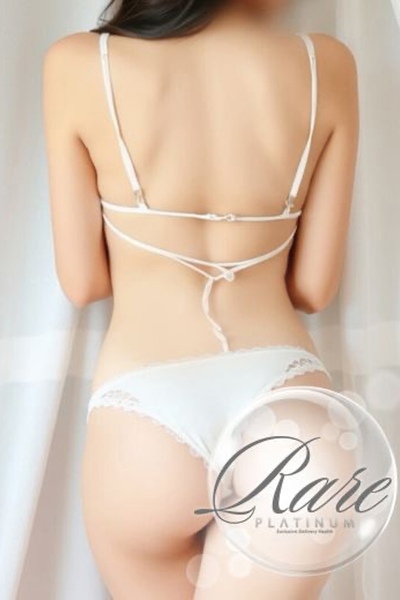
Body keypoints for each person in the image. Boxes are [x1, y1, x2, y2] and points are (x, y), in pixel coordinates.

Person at [42, 0, 359, 597]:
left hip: (145, 411)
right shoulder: (327, 64)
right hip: (289, 407)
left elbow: (83, 283)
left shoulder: (80, 63)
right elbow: (314, 289)